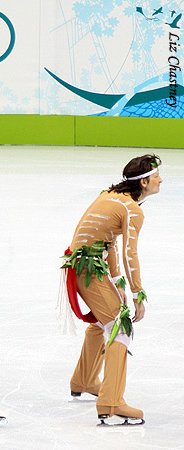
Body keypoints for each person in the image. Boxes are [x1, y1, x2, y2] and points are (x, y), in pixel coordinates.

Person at [60, 154, 162, 425]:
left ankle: (84, 379)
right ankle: (112, 401)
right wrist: (138, 292)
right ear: (143, 182)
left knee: (103, 322)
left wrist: (117, 282)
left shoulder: (110, 194)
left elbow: (110, 243)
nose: (160, 180)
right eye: (156, 177)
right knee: (120, 326)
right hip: (88, 268)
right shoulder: (132, 210)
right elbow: (131, 253)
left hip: (83, 265)